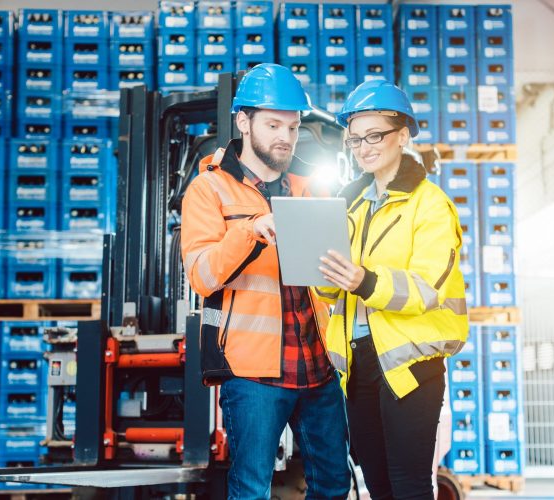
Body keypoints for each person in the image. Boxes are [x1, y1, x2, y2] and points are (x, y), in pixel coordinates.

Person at [180, 63, 352, 499]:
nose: (285, 137)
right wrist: (250, 230)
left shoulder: (306, 188)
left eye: (293, 127)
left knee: (334, 484)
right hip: (253, 373)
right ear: (243, 122)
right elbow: (202, 275)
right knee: (252, 488)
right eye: (274, 124)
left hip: (318, 365)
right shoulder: (208, 189)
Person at [315, 80, 470, 500]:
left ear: (403, 136)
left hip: (409, 365)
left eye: (375, 135)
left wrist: (363, 280)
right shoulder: (351, 205)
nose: (364, 147)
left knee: (410, 486)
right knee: (377, 486)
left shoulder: (430, 204)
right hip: (358, 362)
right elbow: (334, 292)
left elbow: (426, 287)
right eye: (356, 139)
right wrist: (319, 269)